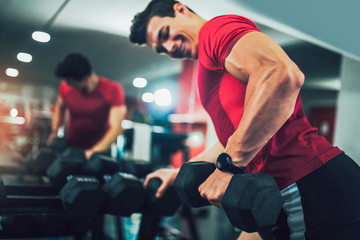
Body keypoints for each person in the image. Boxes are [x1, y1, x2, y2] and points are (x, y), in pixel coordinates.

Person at [129, 1, 360, 239]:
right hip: (273, 193)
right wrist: (179, 172)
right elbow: (232, 137)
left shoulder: (216, 30)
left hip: (308, 183)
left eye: (166, 34)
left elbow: (281, 75)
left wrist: (229, 166)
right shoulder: (208, 66)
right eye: (162, 49)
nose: (170, 47)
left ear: (181, 9)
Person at [47, 52, 127, 159]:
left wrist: (92, 152)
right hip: (71, 146)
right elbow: (60, 106)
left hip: (99, 150)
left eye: (71, 83)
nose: (68, 85)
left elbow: (117, 128)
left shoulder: (113, 89)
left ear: (86, 79)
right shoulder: (65, 86)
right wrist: (55, 130)